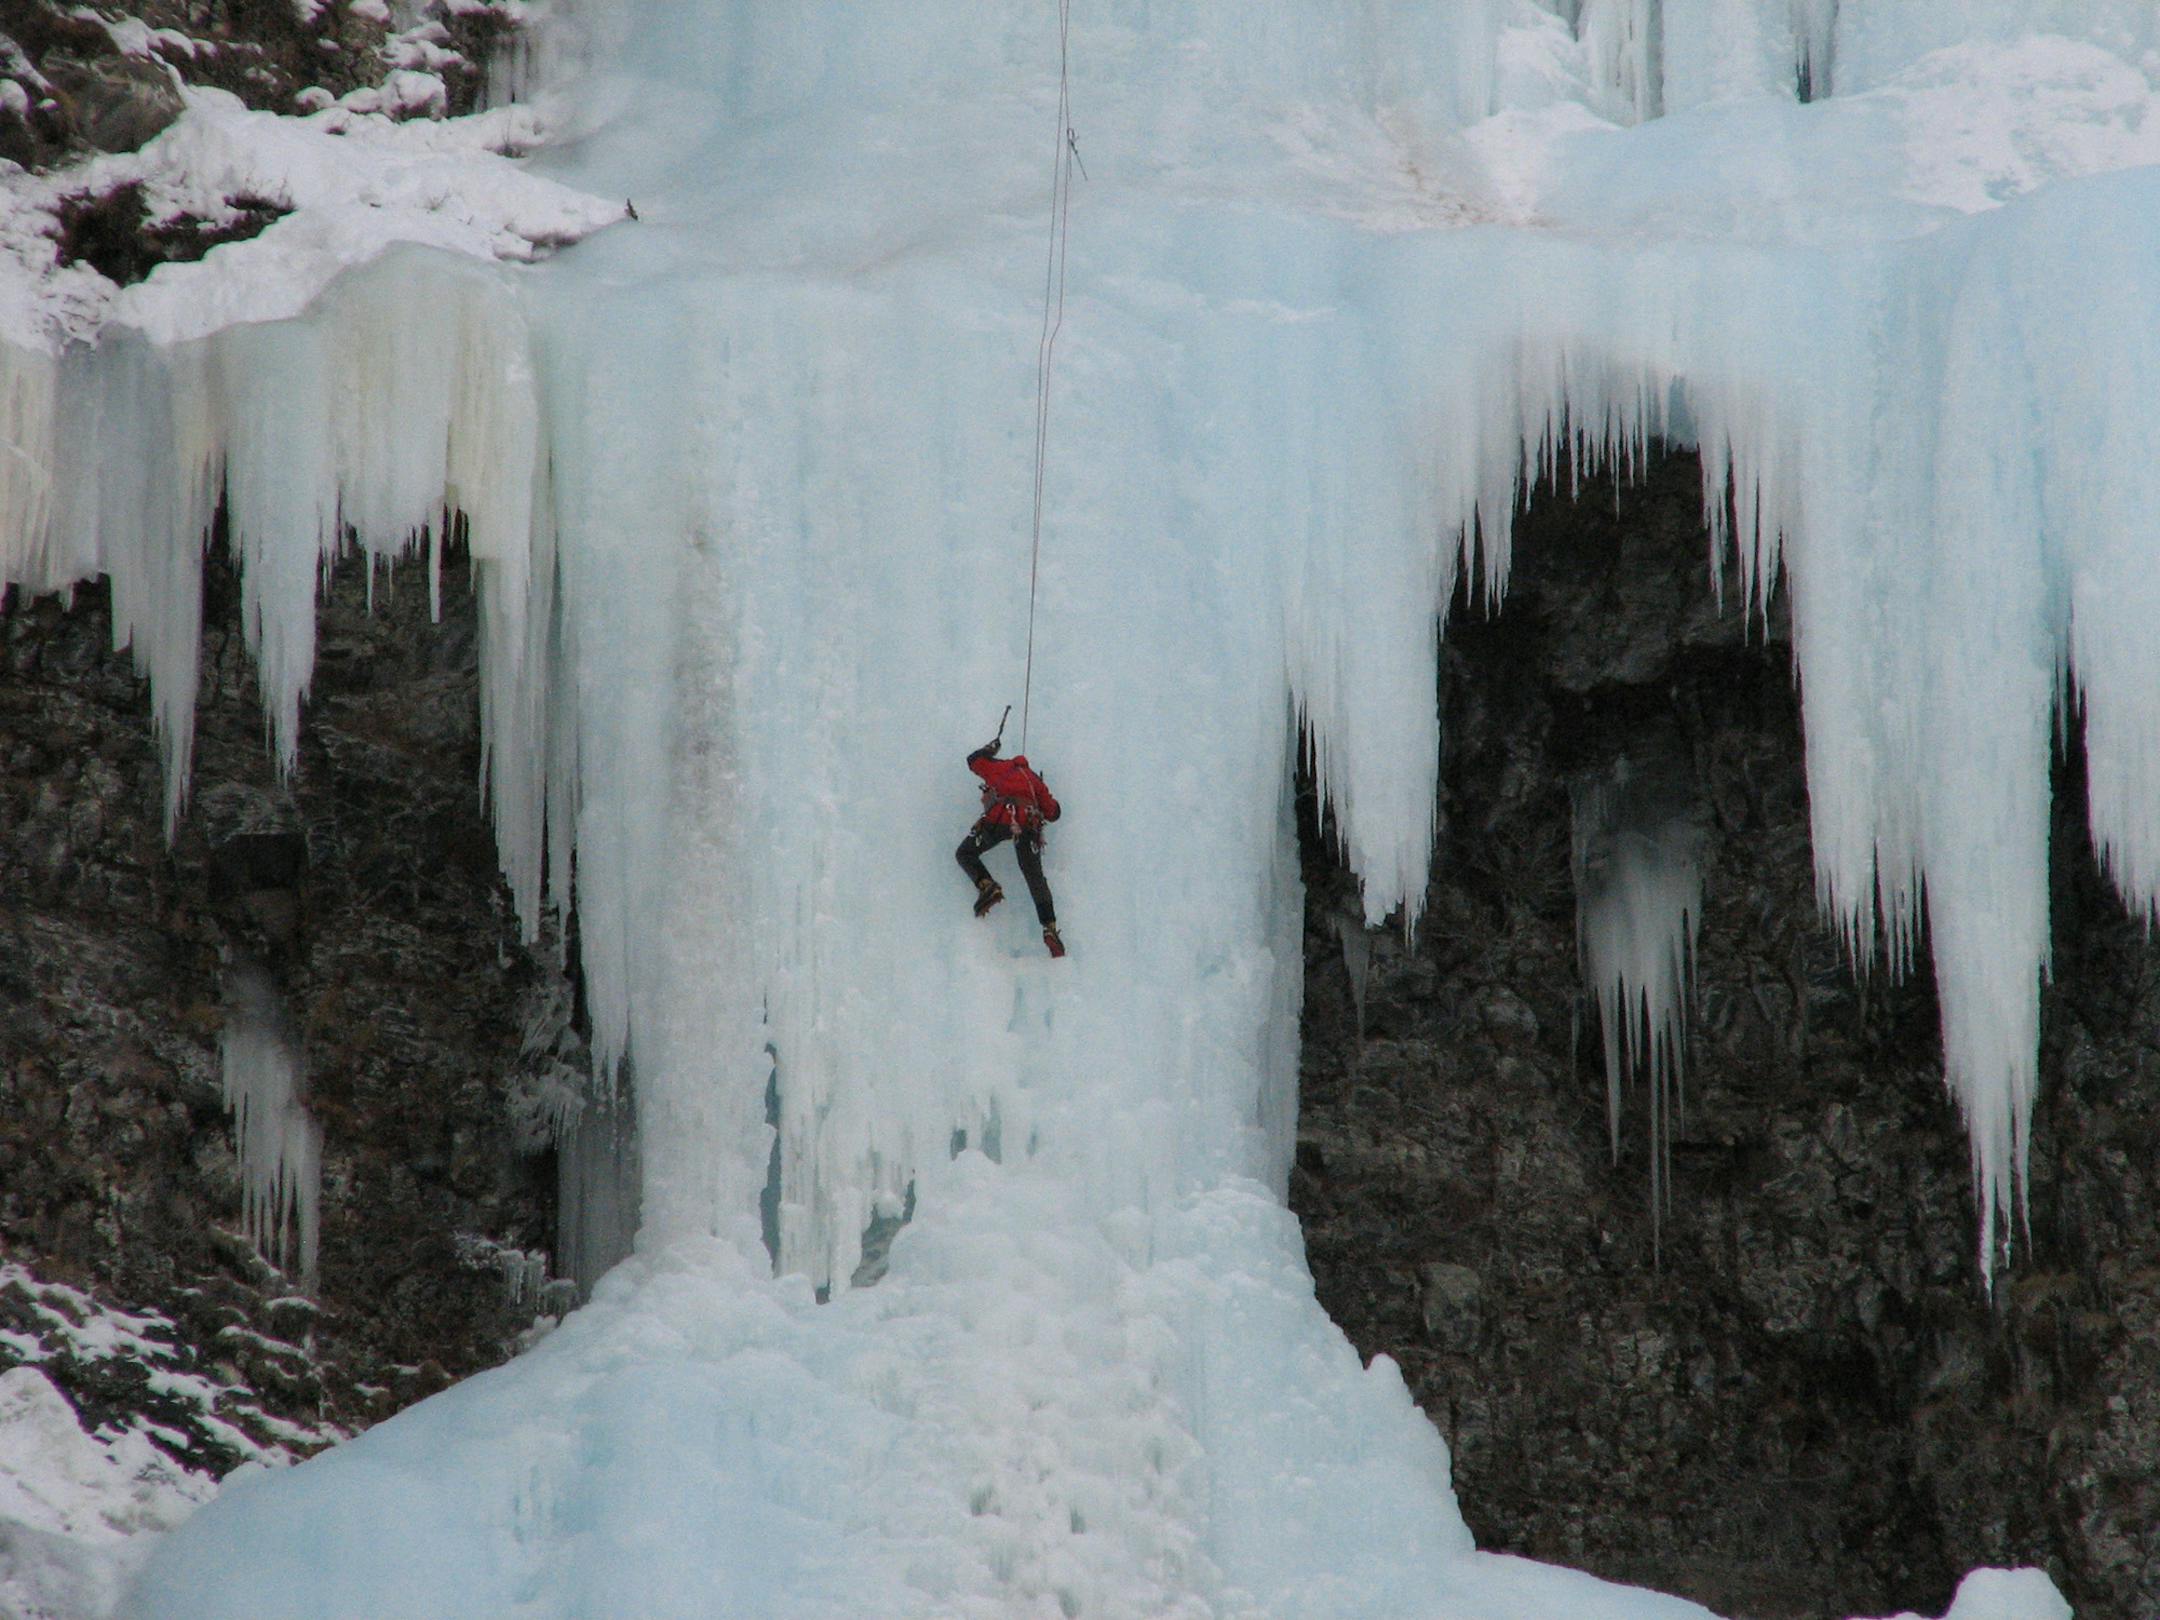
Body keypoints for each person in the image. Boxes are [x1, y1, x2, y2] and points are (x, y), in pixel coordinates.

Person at [955, 737, 1064, 958]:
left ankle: (987, 885)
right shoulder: (1034, 780)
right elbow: (1053, 813)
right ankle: (1049, 927)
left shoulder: (999, 767)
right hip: (1028, 824)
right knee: (1035, 877)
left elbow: (973, 760)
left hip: (999, 819)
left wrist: (990, 749)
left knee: (965, 853)